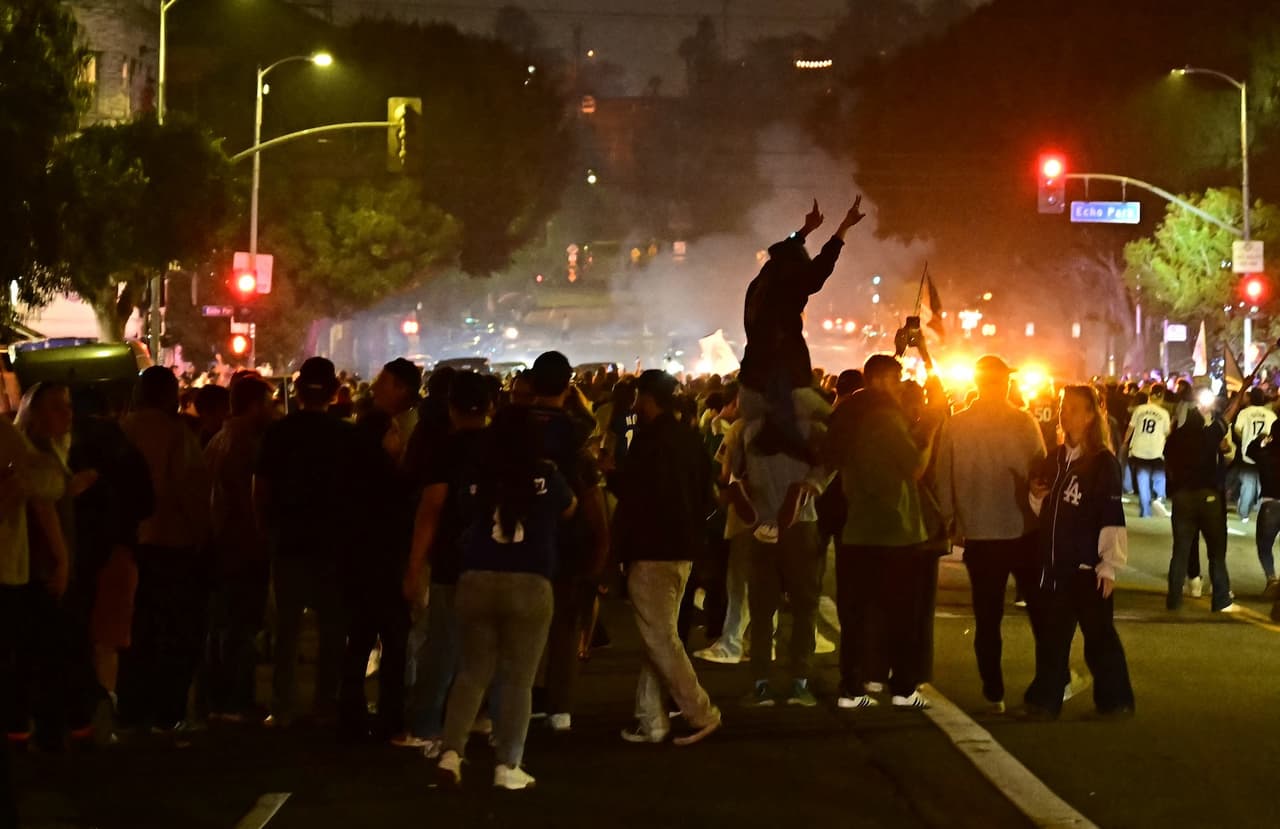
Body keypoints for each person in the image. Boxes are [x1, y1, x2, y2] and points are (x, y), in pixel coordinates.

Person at [434, 406, 576, 791]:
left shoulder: (477, 473)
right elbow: (569, 507)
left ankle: (451, 753)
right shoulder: (546, 474)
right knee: (517, 680)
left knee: (471, 672)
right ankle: (508, 764)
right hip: (529, 582)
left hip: (477, 577)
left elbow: (464, 510)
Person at [824, 354, 943, 710]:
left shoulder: (847, 413)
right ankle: (904, 689)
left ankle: (852, 686)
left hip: (857, 527)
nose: (899, 384)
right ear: (879, 380)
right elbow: (914, 468)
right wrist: (932, 430)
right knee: (901, 613)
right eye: (895, 378)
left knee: (856, 613)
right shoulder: (885, 418)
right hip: (892, 529)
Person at [612, 370, 721, 745]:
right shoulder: (691, 440)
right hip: (683, 551)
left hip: (652, 550)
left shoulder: (647, 443)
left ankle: (700, 711)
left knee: (660, 639)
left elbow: (633, 501)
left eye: (639, 397)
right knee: (657, 636)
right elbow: (709, 499)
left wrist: (619, 553)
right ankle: (651, 720)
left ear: (648, 399)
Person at [935, 356, 1046, 713]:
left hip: (980, 533)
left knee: (987, 617)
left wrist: (952, 520)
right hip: (1022, 530)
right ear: (1005, 382)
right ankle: (1047, 681)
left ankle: (993, 689)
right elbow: (1042, 471)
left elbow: (942, 477)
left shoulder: (956, 424)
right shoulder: (1023, 422)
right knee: (1041, 613)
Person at [255, 357, 360, 729]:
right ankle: (325, 704)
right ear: (334, 392)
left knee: (287, 629)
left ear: (296, 391)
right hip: (334, 543)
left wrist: (266, 529)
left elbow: (262, 488)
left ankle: (282, 705)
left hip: (289, 540)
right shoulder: (348, 436)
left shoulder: (279, 433)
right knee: (333, 628)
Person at [1023, 386, 1134, 720]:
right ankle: (1045, 701)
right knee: (1052, 638)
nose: (1064, 413)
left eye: (1072, 408)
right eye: (1062, 406)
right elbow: (1044, 510)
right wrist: (1035, 495)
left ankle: (1116, 700)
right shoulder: (1054, 459)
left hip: (1088, 567)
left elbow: (1111, 515)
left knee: (1098, 637)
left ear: (1090, 416)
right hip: (1056, 565)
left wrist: (1108, 565)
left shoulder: (1102, 463)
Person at [401, 372, 494, 754]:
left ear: (452, 408)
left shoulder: (446, 449)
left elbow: (431, 509)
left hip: (452, 560)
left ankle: (425, 722)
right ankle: (479, 715)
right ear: (490, 407)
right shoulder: (502, 447)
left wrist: (413, 566)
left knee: (442, 645)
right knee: (484, 647)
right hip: (495, 558)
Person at [118, 368, 211, 734]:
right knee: (174, 633)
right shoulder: (177, 434)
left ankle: (132, 708)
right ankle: (168, 711)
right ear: (169, 394)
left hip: (129, 544)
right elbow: (190, 490)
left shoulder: (123, 430)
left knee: (136, 632)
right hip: (172, 544)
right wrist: (202, 535)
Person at [738, 197, 866, 461]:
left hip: (752, 380)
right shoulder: (788, 288)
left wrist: (805, 231)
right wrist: (843, 227)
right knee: (832, 431)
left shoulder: (760, 284)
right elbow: (820, 270)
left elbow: (786, 251)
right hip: (783, 380)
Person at [738, 385, 831, 708]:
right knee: (804, 608)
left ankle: (761, 683)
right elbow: (827, 467)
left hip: (762, 526)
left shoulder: (751, 431)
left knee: (762, 609)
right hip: (800, 525)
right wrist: (812, 486)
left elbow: (739, 476)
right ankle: (799, 683)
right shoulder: (813, 430)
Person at [201, 374, 274, 724]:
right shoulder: (247, 443)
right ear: (254, 406)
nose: (273, 410)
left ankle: (218, 697)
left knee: (224, 627)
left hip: (222, 546)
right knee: (241, 627)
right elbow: (249, 502)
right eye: (269, 403)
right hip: (241, 548)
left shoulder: (219, 439)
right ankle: (235, 699)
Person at [1164, 395, 1243, 613]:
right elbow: (1228, 415)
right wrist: (1243, 390)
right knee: (1216, 552)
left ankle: (1174, 598)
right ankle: (1220, 598)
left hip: (1182, 497)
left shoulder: (1175, 439)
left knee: (1180, 550)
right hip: (1209, 497)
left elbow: (1168, 461)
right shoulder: (1209, 435)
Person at [1123, 388, 1172, 518]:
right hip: (1156, 450)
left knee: (1143, 479)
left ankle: (1145, 511)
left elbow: (1131, 428)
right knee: (1159, 476)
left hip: (1139, 449)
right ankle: (1160, 497)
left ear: (1150, 396)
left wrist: (1125, 442)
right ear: (1161, 398)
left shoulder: (1139, 410)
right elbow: (1167, 433)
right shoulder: (1164, 413)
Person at [1246, 420, 1280, 600]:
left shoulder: (1265, 453)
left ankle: (1271, 578)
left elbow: (1249, 450)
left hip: (1270, 505)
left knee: (1264, 547)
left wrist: (1262, 439)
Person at [1234, 388, 1276, 522]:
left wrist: (1244, 441)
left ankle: (1244, 514)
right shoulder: (1270, 415)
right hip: (1266, 455)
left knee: (1248, 484)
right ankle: (1262, 510)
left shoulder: (1245, 413)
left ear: (1251, 398)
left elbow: (1237, 430)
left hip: (1248, 453)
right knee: (1264, 483)